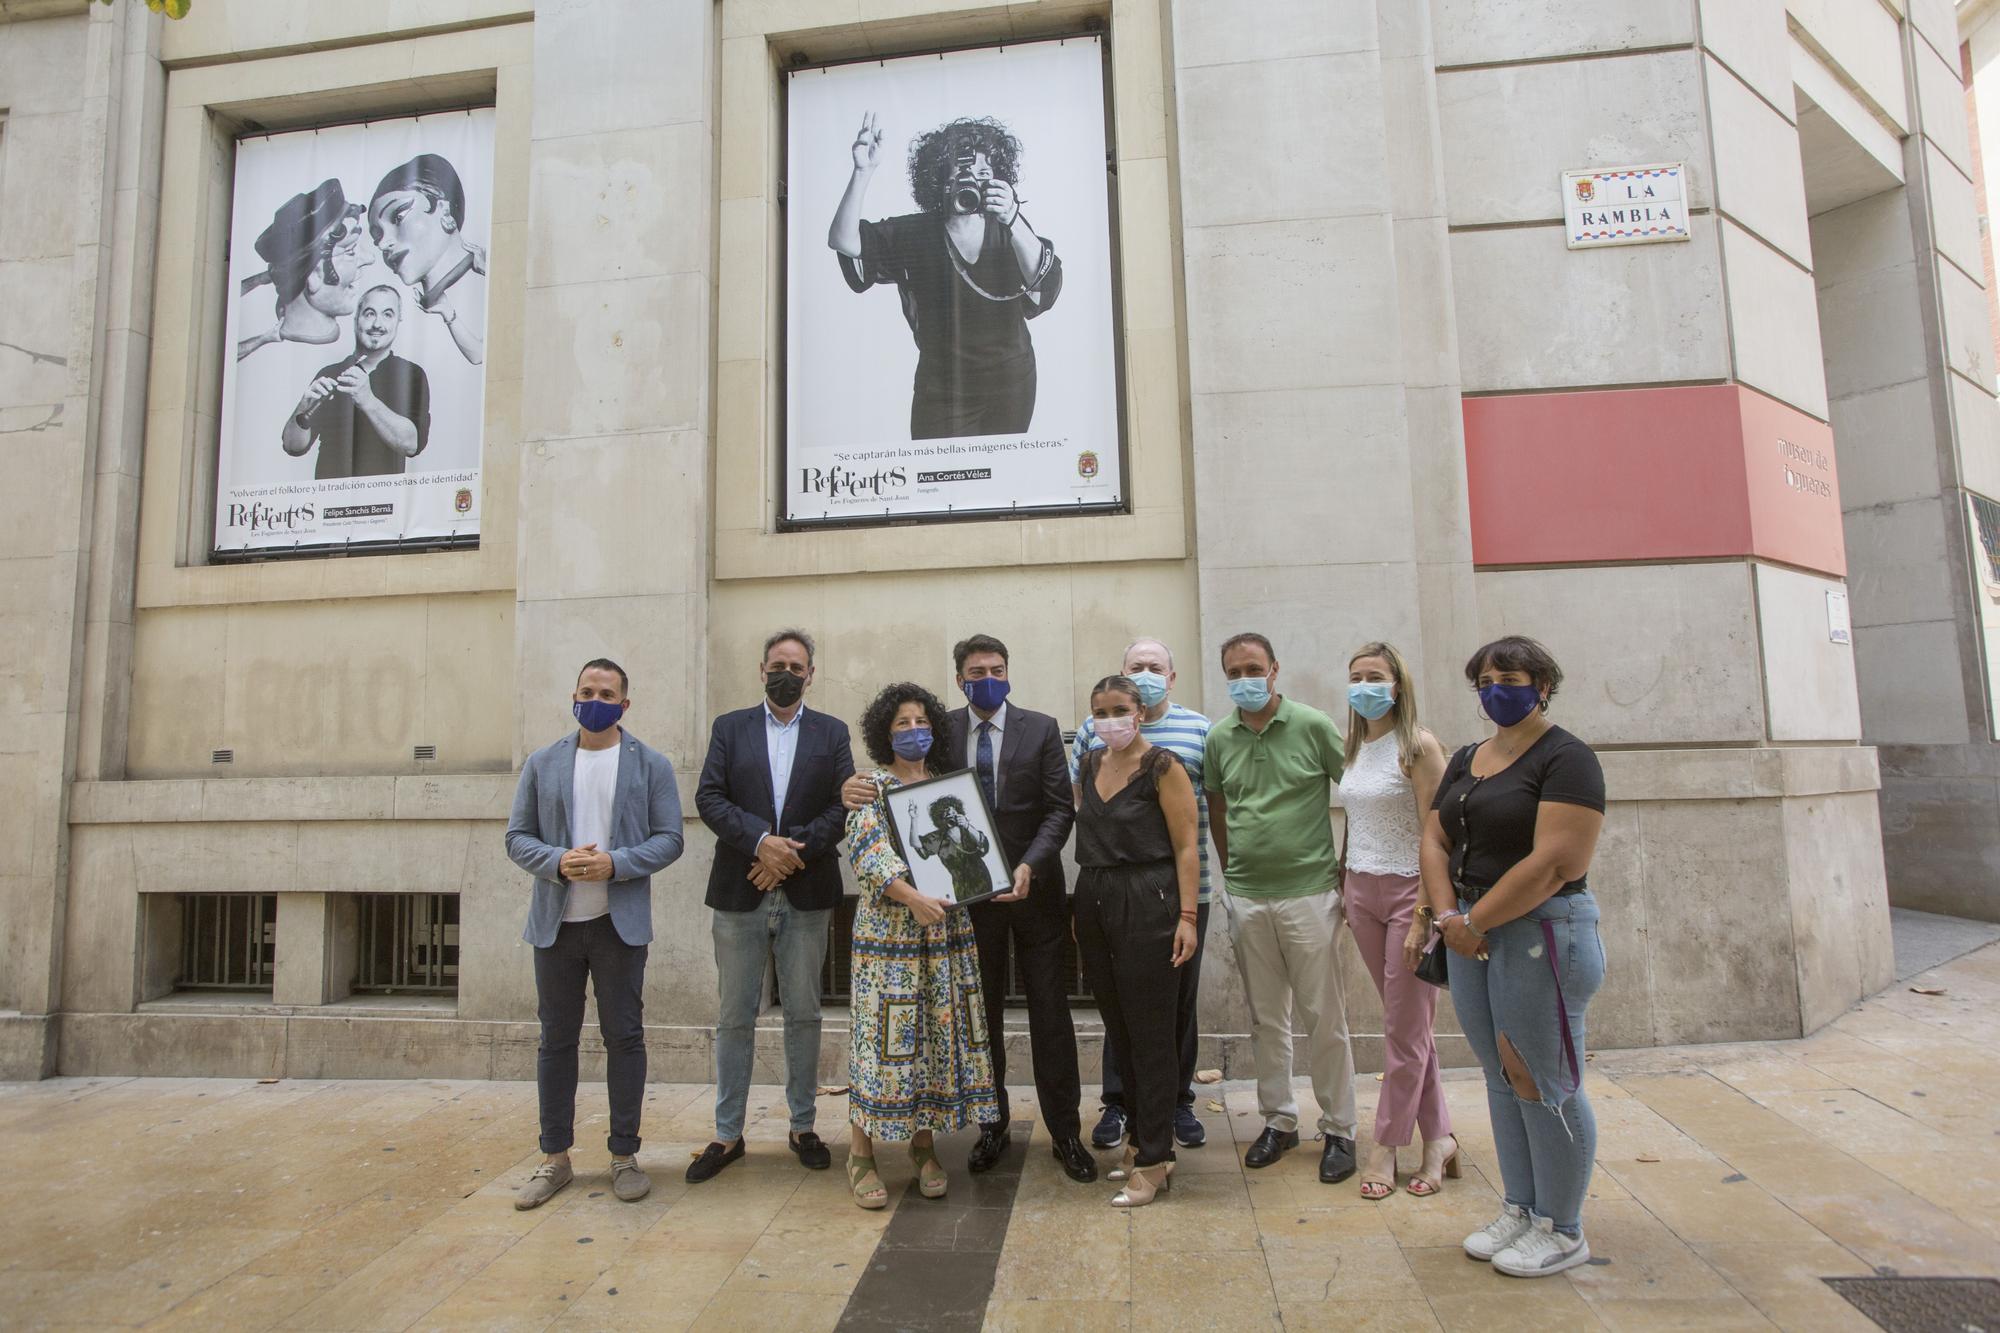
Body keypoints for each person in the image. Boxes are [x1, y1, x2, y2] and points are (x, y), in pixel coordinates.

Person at [841, 634, 1093, 1183]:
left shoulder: (1043, 728)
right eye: (976, 670)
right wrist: (851, 786)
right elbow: (900, 784)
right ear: (960, 678)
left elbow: (1058, 809)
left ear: (1009, 671)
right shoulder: (941, 730)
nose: (987, 677)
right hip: (965, 904)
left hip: (1034, 893)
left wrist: (1029, 864)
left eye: (997, 668)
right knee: (981, 1019)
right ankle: (992, 1127)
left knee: (1051, 1014)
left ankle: (1067, 1133)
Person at [1421, 635, 1606, 1279]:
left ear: (1543, 685)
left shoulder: (1567, 759)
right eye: (1486, 678)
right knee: (1501, 1075)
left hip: (1541, 932)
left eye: (1512, 676)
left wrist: (1473, 920)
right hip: (1470, 933)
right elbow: (1434, 834)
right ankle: (1522, 1207)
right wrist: (1450, 918)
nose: (1498, 688)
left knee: (1542, 1075)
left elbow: (1558, 861)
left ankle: (1563, 1225)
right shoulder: (1469, 757)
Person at [504, 658, 685, 1210]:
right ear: (573, 696)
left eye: (607, 692)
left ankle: (624, 1155)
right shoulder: (543, 762)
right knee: (555, 1041)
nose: (596, 698)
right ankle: (554, 1157)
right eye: (587, 690)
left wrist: (617, 863)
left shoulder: (650, 764)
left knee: (624, 1039)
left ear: (624, 704)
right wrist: (559, 861)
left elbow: (670, 838)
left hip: (618, 926)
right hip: (557, 926)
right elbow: (517, 837)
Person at [690, 630, 855, 1184]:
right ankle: (727, 1132)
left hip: (806, 893)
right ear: (762, 670)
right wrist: (763, 843)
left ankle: (803, 1125)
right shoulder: (729, 728)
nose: (788, 673)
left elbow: (844, 805)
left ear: (811, 674)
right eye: (778, 664)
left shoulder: (831, 733)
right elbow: (710, 797)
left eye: (798, 665)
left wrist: (789, 854)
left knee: (805, 1013)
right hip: (741, 890)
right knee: (734, 1015)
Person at [1204, 632, 1359, 1183]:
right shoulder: (1219, 738)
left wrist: (1346, 863)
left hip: (1310, 893)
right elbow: (1217, 806)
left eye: (1254, 668)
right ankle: (1279, 1121)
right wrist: (1233, 871)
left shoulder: (1313, 725)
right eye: (1234, 671)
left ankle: (1340, 1128)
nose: (1244, 678)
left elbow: (1358, 793)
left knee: (1324, 1017)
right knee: (1267, 1019)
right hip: (1248, 896)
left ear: (1274, 670)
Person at [843, 682, 1002, 1208]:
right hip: (888, 941)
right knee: (880, 1042)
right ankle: (861, 1151)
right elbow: (867, 851)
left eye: (922, 722)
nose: (915, 732)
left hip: (946, 936)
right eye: (901, 725)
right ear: (883, 734)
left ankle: (922, 1146)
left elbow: (971, 853)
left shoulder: (948, 788)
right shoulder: (871, 787)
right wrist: (910, 896)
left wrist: (986, 882)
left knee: (933, 1042)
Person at [828, 114, 1063, 439]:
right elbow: (843, 240)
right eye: (960, 174)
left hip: (1011, 383)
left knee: (1004, 480)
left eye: (984, 174)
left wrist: (1012, 215)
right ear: (939, 180)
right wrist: (862, 172)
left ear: (999, 180)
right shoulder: (913, 233)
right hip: (942, 388)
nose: (972, 183)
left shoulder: (1008, 229)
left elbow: (1043, 286)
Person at [1071, 639, 1213, 1151]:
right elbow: (1090, 828)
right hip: (1097, 900)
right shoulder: (1088, 763)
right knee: (1119, 1023)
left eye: (1120, 711)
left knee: (1156, 1026)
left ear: (1140, 712)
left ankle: (1157, 1150)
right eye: (1100, 713)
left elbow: (1186, 847)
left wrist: (1189, 916)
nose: (1110, 721)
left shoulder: (1164, 764)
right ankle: (1133, 1130)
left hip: (1154, 902)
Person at [1336, 642, 1453, 1200]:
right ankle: (1440, 1139)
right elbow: (1355, 823)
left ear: (1398, 685)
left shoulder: (1419, 746)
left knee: (1402, 1030)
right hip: (1361, 891)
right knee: (1408, 1027)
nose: (1364, 686)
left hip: (1410, 892)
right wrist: (1343, 884)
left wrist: (1427, 915)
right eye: (1356, 677)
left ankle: (1386, 1146)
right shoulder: (1356, 747)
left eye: (1375, 677)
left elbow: (1439, 834)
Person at [281, 284, 431, 480]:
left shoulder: (412, 375)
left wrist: (367, 400)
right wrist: (302, 408)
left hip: (383, 500)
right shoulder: (329, 373)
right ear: (355, 320)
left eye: (387, 314)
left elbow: (412, 445)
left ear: (397, 322)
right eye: (369, 314)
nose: (378, 324)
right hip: (330, 500)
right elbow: (293, 447)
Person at [236, 179, 377, 360]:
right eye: (349, 251)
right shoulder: (273, 358)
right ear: (314, 276)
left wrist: (262, 278)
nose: (369, 259)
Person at [370, 152, 487, 364]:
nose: (383, 244)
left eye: (398, 216)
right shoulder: (425, 302)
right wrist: (447, 313)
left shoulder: (482, 277)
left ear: (444, 209)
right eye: (376, 235)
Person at [913, 795, 995, 902]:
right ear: (940, 818)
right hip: (961, 888)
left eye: (954, 812)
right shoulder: (937, 838)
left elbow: (984, 846)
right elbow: (916, 844)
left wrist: (967, 825)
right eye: (946, 814)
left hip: (982, 880)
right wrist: (913, 819)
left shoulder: (967, 830)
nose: (951, 816)